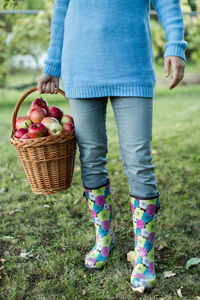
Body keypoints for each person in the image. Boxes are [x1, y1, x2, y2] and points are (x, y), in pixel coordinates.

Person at [37, 0, 187, 292]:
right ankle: (104, 238)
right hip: (80, 67)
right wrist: (53, 64)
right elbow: (62, 9)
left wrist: (175, 46)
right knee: (91, 157)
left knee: (138, 159)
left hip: (132, 66)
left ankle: (144, 256)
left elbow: (168, 2)